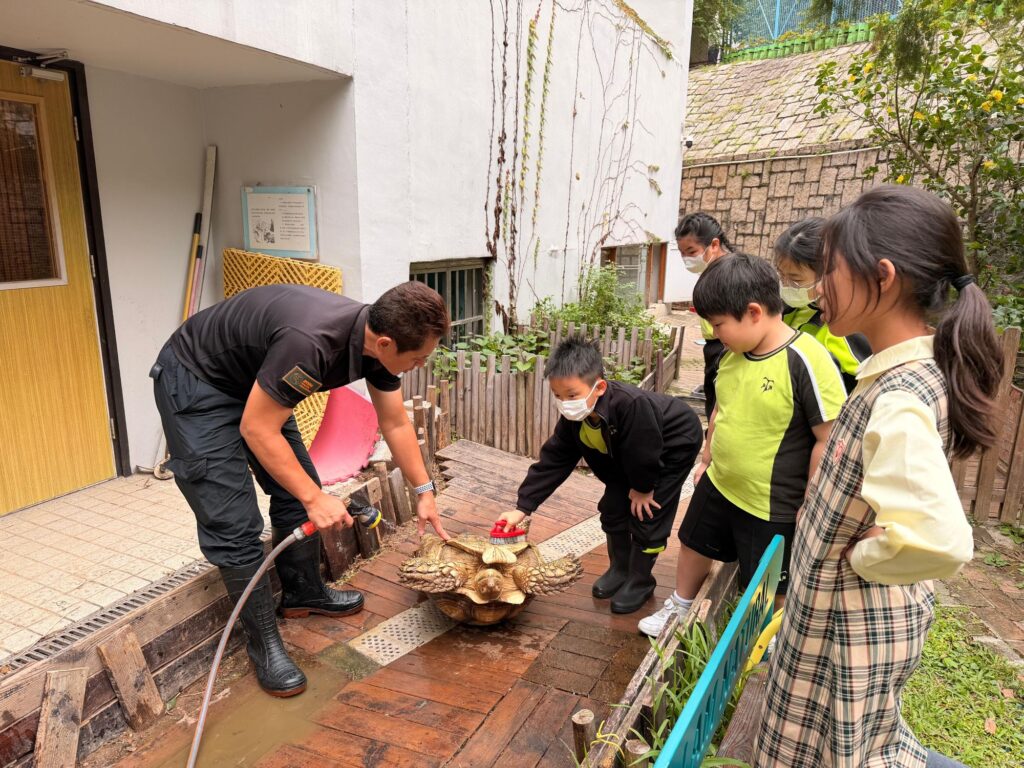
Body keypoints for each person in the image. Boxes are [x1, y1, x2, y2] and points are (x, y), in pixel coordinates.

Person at [754, 186, 1001, 768]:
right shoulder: (914, 366)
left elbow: (940, 541)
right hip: (847, 618)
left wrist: (865, 558)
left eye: (829, 272)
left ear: (883, 276)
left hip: (847, 628)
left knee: (839, 752)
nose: (816, 290)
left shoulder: (899, 398)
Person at [150, 281, 451, 698]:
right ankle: (265, 646)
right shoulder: (311, 344)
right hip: (198, 382)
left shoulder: (380, 346)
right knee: (234, 523)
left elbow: (395, 422)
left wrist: (424, 491)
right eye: (417, 358)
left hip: (255, 382)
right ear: (385, 343)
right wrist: (315, 498)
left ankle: (302, 591)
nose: (419, 365)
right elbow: (257, 427)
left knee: (294, 486)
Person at [638, 253, 846, 637]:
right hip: (721, 482)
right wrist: (706, 458)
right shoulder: (732, 356)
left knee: (770, 581)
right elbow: (721, 409)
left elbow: (827, 436)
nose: (715, 334)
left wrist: (812, 500)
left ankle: (770, 640)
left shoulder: (807, 359)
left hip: (773, 503)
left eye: (719, 324)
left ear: (753, 312)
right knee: (692, 542)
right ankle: (680, 607)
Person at [494, 338, 703, 614]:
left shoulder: (632, 405)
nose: (565, 404)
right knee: (613, 507)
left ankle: (641, 581)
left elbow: (644, 451)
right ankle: (619, 568)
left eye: (571, 395)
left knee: (648, 514)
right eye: (558, 396)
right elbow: (555, 459)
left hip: (673, 445)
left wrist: (643, 488)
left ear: (599, 387)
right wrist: (522, 507)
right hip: (628, 457)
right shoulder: (576, 419)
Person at [774, 217, 871, 393]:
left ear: (828, 273)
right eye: (781, 275)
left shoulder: (848, 328)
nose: (786, 285)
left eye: (795, 279)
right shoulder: (786, 311)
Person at [675, 212, 731, 419]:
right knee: (714, 399)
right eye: (682, 253)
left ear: (714, 244)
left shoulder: (730, 273)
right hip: (714, 345)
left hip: (728, 346)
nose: (687, 259)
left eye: (691, 251)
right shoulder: (710, 270)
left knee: (721, 401)